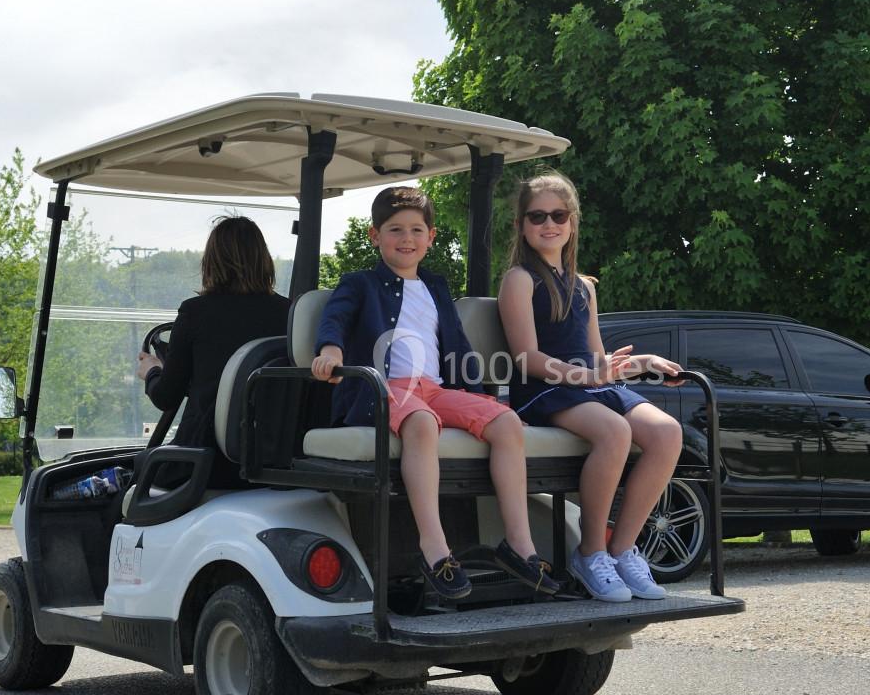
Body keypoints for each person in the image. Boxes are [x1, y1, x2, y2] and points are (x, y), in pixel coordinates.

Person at [310, 186, 560, 600]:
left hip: (436, 389)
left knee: (506, 421)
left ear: (431, 237)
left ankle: (519, 545)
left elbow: (457, 345)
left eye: (416, 230)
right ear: (375, 236)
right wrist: (330, 351)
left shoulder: (436, 287)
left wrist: (477, 398)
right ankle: (435, 550)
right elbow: (334, 320)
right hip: (382, 388)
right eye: (395, 230)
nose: (406, 238)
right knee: (423, 423)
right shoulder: (360, 284)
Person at [497, 170, 684, 602]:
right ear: (522, 225)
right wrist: (587, 376)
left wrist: (639, 364)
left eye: (559, 215)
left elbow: (599, 358)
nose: (549, 223)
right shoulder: (519, 279)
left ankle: (622, 551)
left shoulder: (584, 286)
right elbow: (527, 357)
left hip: (588, 384)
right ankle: (591, 551)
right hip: (545, 388)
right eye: (538, 216)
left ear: (573, 221)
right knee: (615, 431)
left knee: (667, 433)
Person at [135, 215, 289, 490]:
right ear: (263, 259)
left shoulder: (195, 312)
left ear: (212, 261)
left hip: (205, 464)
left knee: (137, 468)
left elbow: (166, 397)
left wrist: (153, 371)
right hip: (272, 461)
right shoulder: (289, 313)